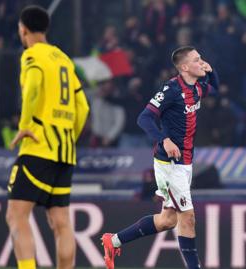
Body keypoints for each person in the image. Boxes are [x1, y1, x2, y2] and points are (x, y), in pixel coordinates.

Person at [101, 46, 219, 269]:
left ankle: (113, 240)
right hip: (169, 162)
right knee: (188, 217)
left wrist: (211, 71)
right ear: (184, 67)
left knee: (167, 220)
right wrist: (163, 139)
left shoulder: (197, 88)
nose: (201, 62)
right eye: (197, 59)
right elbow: (144, 118)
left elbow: (214, 88)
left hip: (185, 161)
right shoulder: (172, 89)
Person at [5, 6, 89, 269]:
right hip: (65, 150)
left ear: (23, 29)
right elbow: (83, 107)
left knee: (17, 216)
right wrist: (69, 136)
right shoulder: (64, 59)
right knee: (61, 221)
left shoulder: (32, 56)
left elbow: (32, 87)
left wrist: (25, 124)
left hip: (38, 147)